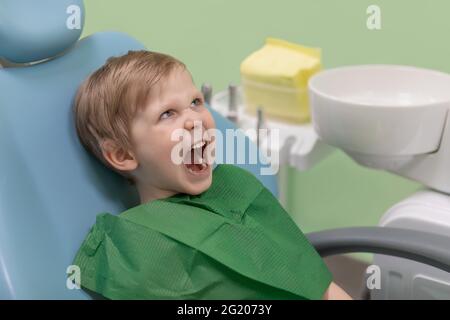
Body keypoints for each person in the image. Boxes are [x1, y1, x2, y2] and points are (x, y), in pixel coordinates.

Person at [72, 50, 351, 300]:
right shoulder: (136, 245)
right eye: (167, 113)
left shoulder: (234, 187)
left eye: (195, 102)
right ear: (123, 155)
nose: (195, 119)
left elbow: (318, 284)